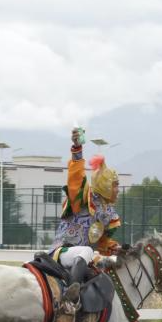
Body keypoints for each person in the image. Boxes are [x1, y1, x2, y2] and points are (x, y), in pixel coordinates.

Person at [48, 127, 122, 309]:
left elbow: (101, 242)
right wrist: (77, 150)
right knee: (88, 251)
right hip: (63, 252)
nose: (118, 190)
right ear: (105, 185)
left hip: (81, 258)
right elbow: (75, 179)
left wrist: (115, 248)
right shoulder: (84, 198)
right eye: (115, 185)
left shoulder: (108, 212)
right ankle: (69, 298)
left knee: (102, 263)